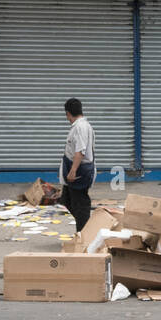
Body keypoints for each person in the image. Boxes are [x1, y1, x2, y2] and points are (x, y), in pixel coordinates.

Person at [60, 98, 96, 232]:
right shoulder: (80, 125)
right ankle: (86, 225)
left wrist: (73, 171)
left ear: (68, 113)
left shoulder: (80, 127)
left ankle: (85, 233)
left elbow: (80, 151)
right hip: (75, 169)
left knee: (80, 204)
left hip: (79, 171)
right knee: (67, 199)